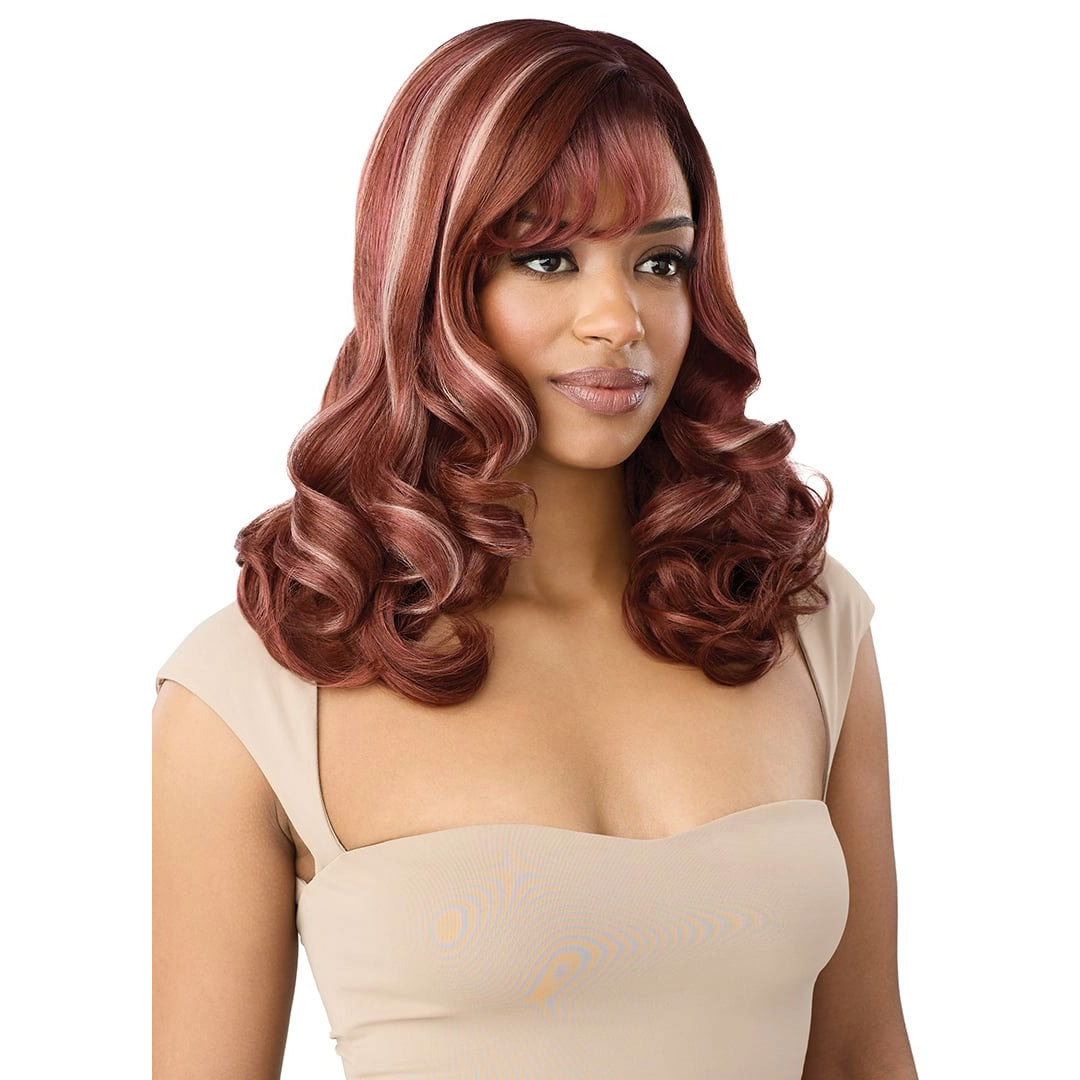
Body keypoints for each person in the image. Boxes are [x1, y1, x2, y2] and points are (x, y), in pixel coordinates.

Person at [152, 18, 917, 1080]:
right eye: (548, 258)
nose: (619, 319)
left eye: (660, 261)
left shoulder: (799, 619)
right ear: (432, 283)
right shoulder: (258, 686)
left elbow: (863, 1054)